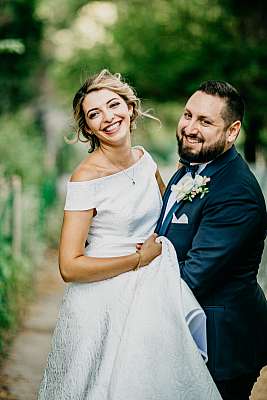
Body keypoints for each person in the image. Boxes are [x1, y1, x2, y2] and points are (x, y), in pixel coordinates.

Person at [38, 70, 222, 399]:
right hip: (101, 306)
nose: (108, 117)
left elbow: (167, 220)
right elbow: (69, 266)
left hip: (152, 296)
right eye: (95, 114)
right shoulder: (85, 179)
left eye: (113, 105)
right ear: (88, 128)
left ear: (130, 108)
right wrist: (138, 259)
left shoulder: (145, 159)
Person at [153, 80, 267, 400]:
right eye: (188, 115)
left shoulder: (235, 193)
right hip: (190, 334)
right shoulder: (191, 168)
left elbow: (193, 276)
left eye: (205, 122)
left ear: (232, 132)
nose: (190, 127)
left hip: (221, 344)